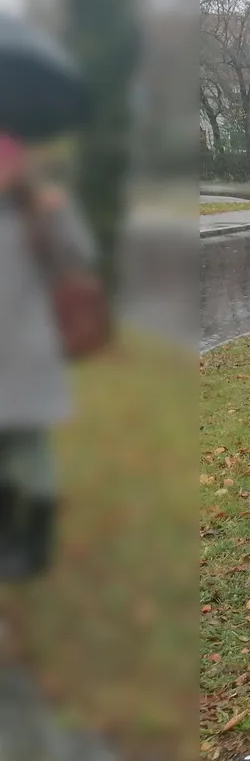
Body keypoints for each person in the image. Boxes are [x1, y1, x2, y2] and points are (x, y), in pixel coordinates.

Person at [0, 134, 95, 580]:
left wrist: (57, 212)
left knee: (31, 449)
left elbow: (80, 255)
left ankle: (34, 546)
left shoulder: (38, 213)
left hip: (26, 352)